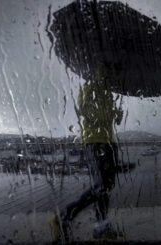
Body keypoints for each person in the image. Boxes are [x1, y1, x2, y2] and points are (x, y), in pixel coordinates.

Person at [50, 66, 123, 242]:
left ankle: (101, 229)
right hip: (94, 141)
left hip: (107, 140)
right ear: (100, 72)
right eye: (107, 73)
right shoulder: (89, 88)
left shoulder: (108, 93)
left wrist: (117, 113)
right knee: (101, 186)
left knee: (106, 186)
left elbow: (114, 120)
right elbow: (85, 111)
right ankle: (65, 217)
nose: (111, 76)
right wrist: (110, 113)